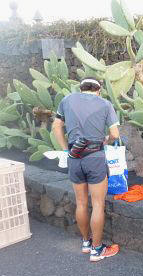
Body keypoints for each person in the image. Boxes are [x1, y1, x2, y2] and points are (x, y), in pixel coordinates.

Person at [52, 77, 120, 262]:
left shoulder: (66, 100)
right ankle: (97, 250)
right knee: (98, 204)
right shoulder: (105, 104)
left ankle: (86, 243)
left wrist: (66, 148)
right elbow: (115, 134)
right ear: (99, 90)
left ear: (81, 88)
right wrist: (107, 141)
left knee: (81, 203)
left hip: (74, 157)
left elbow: (56, 126)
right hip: (95, 157)